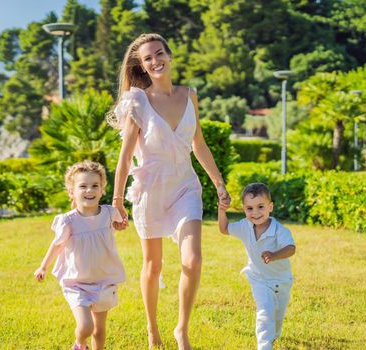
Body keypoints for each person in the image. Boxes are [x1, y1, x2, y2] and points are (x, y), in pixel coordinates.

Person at [108, 33, 230, 350]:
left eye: (159, 54)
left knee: (193, 260)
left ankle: (182, 330)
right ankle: (152, 330)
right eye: (148, 58)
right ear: (142, 66)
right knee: (153, 266)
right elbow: (124, 157)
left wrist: (218, 182)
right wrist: (117, 201)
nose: (155, 61)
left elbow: (198, 143)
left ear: (169, 55)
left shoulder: (189, 95)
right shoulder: (137, 101)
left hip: (185, 186)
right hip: (150, 191)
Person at [34, 160, 126, 350]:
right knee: (86, 326)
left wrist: (122, 224)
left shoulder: (109, 212)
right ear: (72, 192)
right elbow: (57, 245)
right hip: (77, 284)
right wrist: (43, 266)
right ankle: (80, 343)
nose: (89, 190)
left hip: (103, 281)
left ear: (102, 190)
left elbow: (121, 222)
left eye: (95, 186)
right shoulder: (68, 221)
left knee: (99, 331)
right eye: (82, 186)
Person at [218, 183, 296, 350]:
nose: (255, 213)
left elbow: (291, 249)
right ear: (244, 209)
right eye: (249, 208)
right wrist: (222, 210)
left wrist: (274, 255)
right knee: (265, 312)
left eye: (260, 207)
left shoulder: (279, 230)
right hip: (258, 278)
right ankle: (264, 345)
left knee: (278, 315)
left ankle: (273, 335)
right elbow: (224, 229)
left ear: (270, 207)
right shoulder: (245, 226)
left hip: (281, 280)